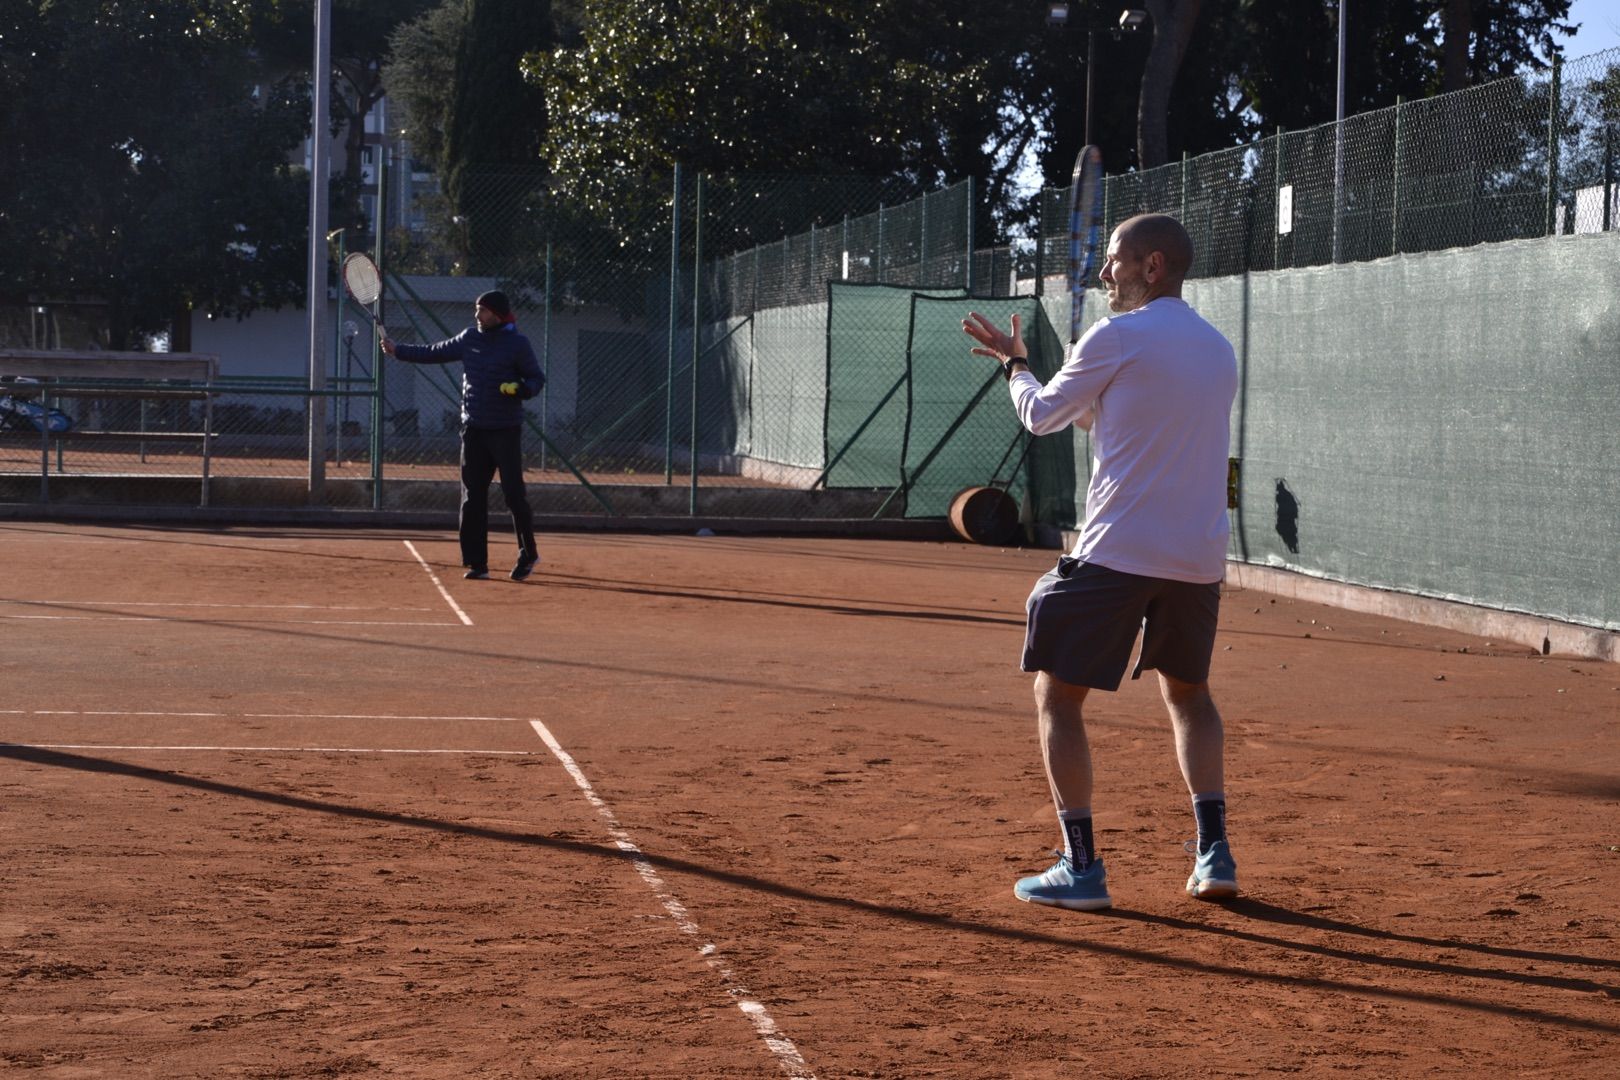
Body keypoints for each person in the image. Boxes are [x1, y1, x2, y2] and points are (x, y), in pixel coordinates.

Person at [961, 213, 1239, 911]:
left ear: (1151, 266)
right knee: (1190, 695)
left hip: (1117, 551)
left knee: (1057, 696)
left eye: (1114, 261)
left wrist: (1016, 368)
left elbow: (1044, 416)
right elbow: (1123, 418)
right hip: (1198, 558)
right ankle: (1215, 853)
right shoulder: (1217, 349)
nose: (1103, 274)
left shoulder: (1116, 335)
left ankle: (1081, 868)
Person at [381, 290, 545, 581]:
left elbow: (536, 379)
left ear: (497, 314)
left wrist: (522, 389)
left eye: (482, 310)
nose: (477, 315)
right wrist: (398, 350)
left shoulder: (518, 344)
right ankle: (476, 563)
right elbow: (434, 352)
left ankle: (528, 553)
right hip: (473, 428)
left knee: (513, 495)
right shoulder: (469, 338)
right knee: (472, 497)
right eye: (476, 309)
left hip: (505, 429)